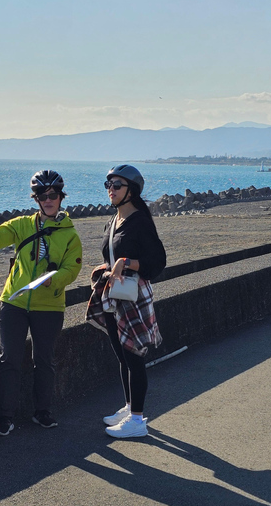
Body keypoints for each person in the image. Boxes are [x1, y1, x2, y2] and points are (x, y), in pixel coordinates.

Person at [0, 170, 83, 436]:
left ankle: (43, 412)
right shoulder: (21, 225)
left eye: (53, 195)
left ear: (61, 197)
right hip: (14, 303)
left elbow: (72, 268)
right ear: (36, 199)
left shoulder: (70, 234)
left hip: (49, 306)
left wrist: (54, 279)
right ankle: (5, 417)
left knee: (44, 361)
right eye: (42, 196)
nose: (48, 200)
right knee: (9, 360)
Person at [85, 164, 166, 438]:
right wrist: (108, 267)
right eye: (108, 185)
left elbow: (158, 263)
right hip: (112, 294)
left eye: (117, 185)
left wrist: (127, 262)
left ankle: (137, 419)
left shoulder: (140, 222)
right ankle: (130, 406)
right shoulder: (113, 222)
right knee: (121, 355)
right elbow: (112, 256)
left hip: (132, 296)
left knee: (134, 357)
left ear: (131, 190)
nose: (111, 190)